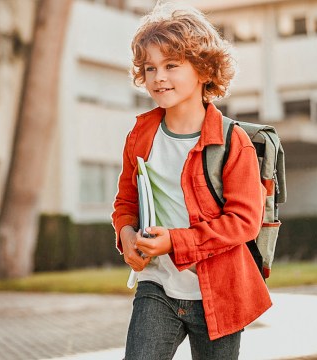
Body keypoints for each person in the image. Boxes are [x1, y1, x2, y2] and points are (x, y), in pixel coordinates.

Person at [111, 2, 271, 359]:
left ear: (203, 69)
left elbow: (244, 223)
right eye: (150, 68)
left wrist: (175, 243)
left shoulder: (232, 142)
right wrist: (126, 236)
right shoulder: (141, 135)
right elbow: (126, 203)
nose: (158, 77)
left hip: (222, 293)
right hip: (158, 285)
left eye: (171, 65)